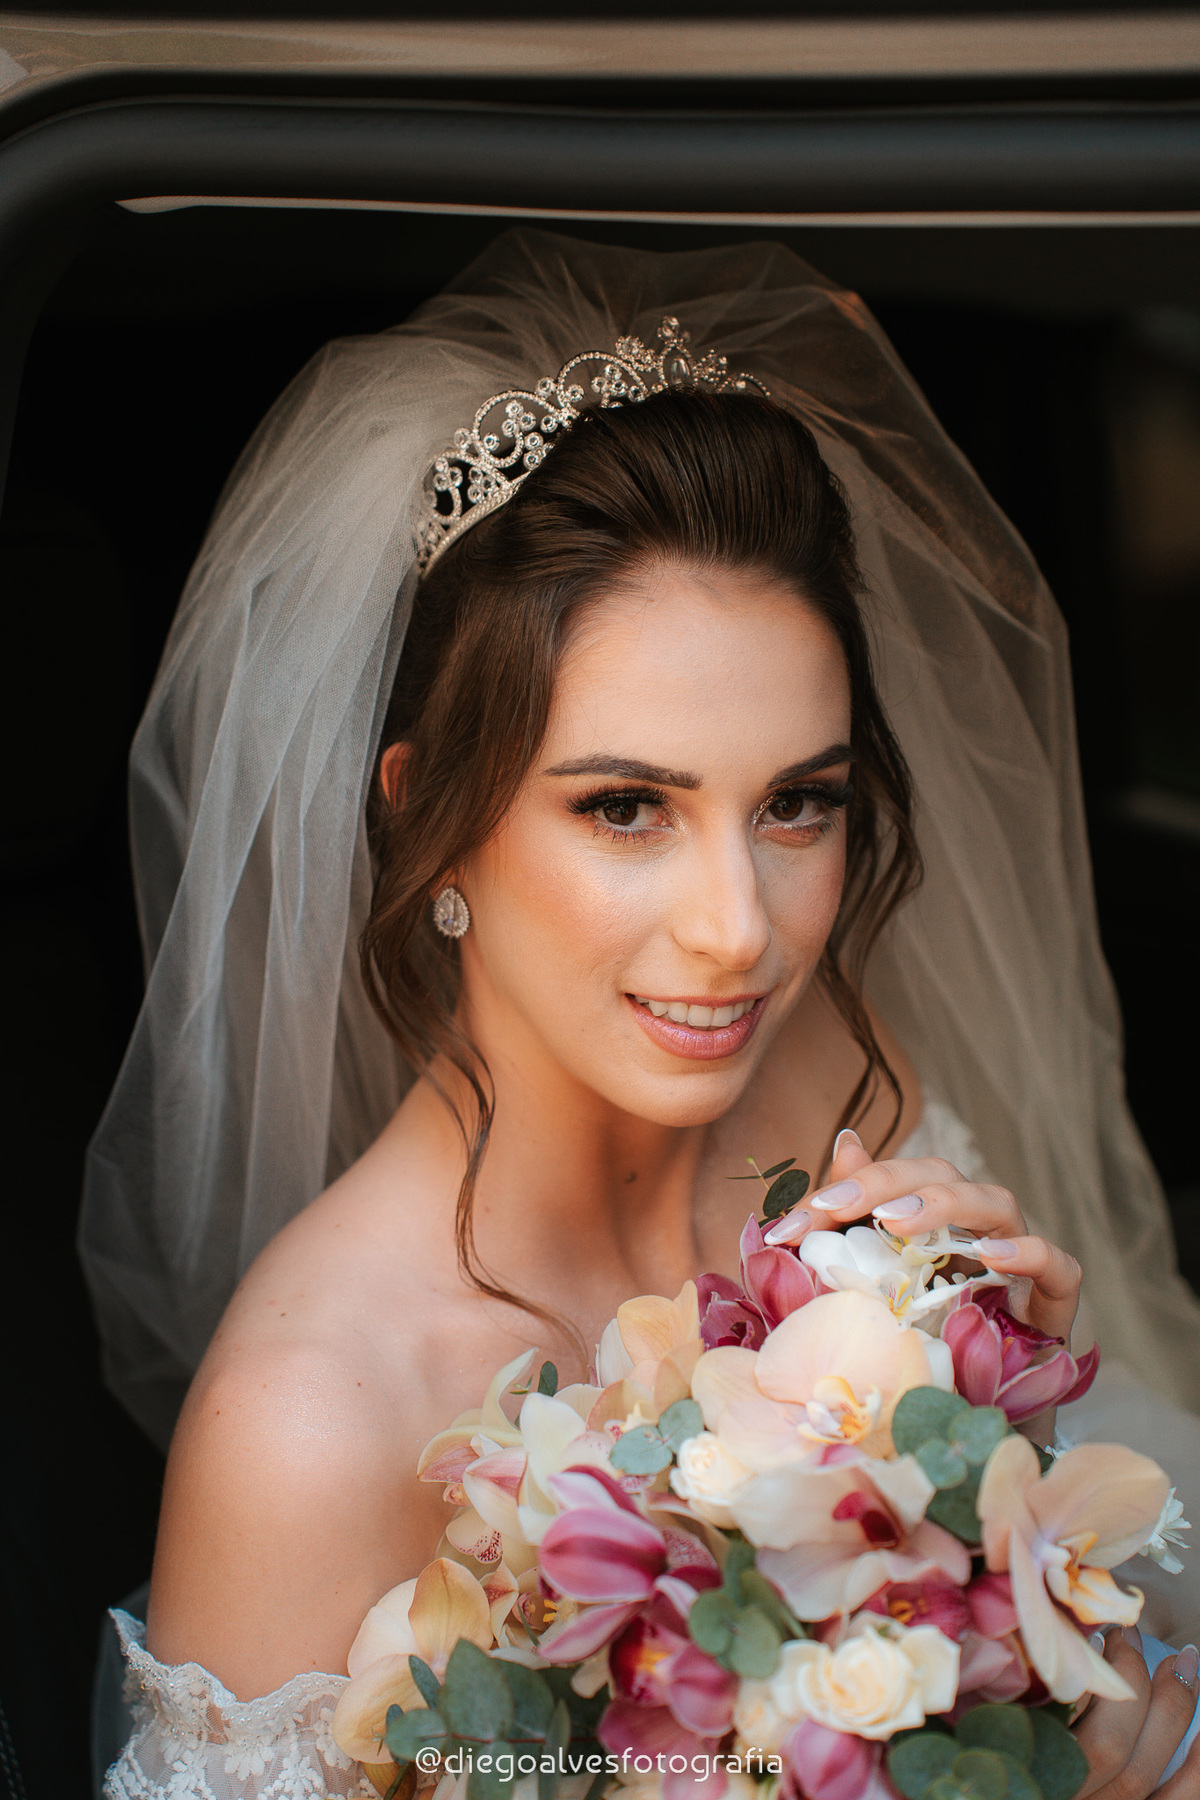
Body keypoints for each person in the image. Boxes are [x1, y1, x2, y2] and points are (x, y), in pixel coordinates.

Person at [83, 230, 1200, 1798]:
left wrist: (1017, 1470)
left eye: (798, 803)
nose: (739, 930)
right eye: (624, 809)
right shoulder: (312, 1429)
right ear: (428, 821)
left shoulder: (841, 1091)